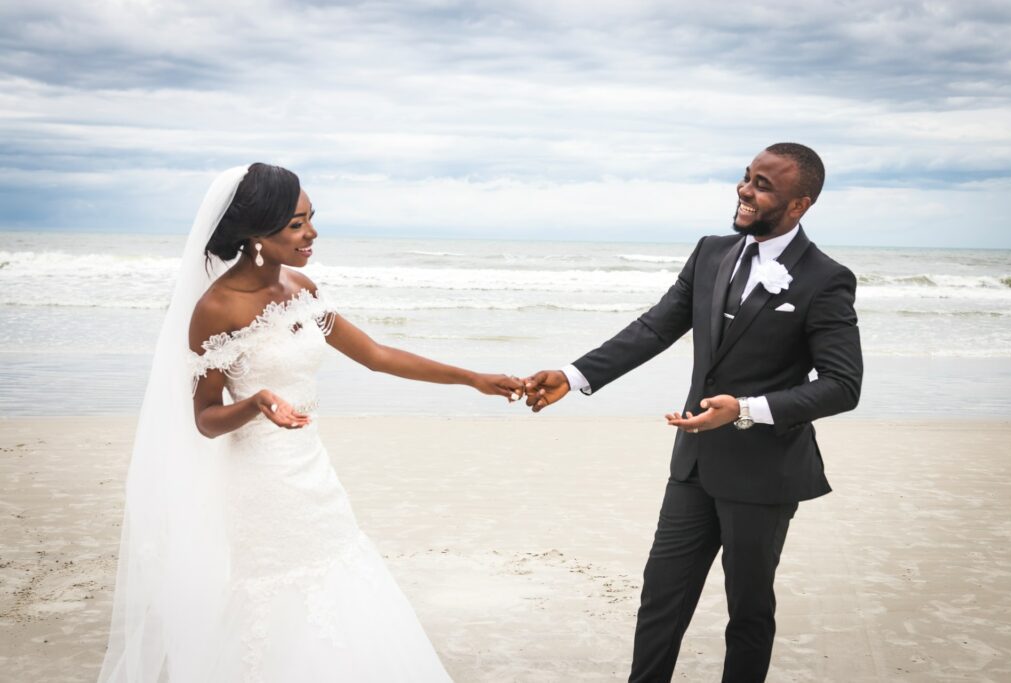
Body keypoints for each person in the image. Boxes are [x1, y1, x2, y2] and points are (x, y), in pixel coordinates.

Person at [98, 163, 523, 682]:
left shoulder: (301, 286)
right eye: (297, 224)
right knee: (277, 594)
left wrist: (471, 378)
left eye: (311, 219)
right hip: (261, 481)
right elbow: (204, 419)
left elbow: (376, 354)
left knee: (340, 573)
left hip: (313, 469)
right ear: (257, 233)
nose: (312, 233)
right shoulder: (216, 309)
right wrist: (255, 403)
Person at [523, 143, 863, 682]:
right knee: (661, 599)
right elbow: (656, 327)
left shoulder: (826, 278)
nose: (745, 190)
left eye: (763, 185)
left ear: (800, 205)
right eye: (746, 177)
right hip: (693, 465)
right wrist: (575, 375)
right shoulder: (711, 253)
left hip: (764, 474)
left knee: (747, 612)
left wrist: (746, 409)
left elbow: (843, 386)